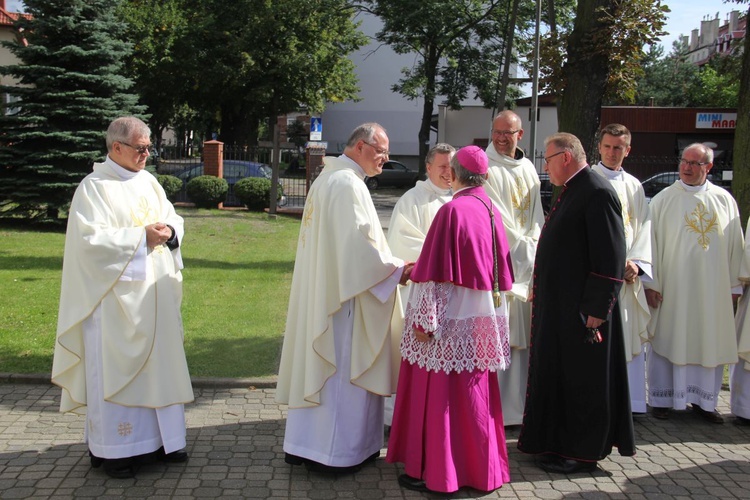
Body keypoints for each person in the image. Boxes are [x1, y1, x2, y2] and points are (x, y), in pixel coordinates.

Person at [51, 116, 193, 479]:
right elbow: (89, 244)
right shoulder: (94, 188)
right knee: (118, 371)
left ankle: (165, 441)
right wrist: (139, 238)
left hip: (155, 297)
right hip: (115, 302)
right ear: (116, 147)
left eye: (149, 147)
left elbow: (172, 217)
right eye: (141, 148)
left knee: (160, 367)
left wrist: (171, 231)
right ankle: (116, 450)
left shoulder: (149, 182)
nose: (147, 154)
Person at [276, 122, 412, 474]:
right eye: (382, 151)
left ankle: (307, 445)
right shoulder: (347, 184)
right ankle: (335, 453)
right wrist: (398, 270)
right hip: (343, 300)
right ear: (362, 146)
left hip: (327, 289)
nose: (385, 158)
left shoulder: (329, 179)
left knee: (326, 374)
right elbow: (358, 249)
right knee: (340, 373)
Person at [386, 145, 514, 494]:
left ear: (455, 174)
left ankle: (441, 474)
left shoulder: (454, 210)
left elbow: (434, 275)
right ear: (484, 176)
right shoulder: (490, 209)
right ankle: (479, 471)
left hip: (449, 321)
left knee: (441, 398)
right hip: (480, 318)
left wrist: (425, 322)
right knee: (473, 400)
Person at [518, 132, 634, 474]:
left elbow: (611, 255)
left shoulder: (596, 191)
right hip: (562, 308)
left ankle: (582, 453)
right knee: (563, 377)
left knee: (584, 382)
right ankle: (557, 442)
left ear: (565, 157)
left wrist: (597, 309)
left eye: (548, 159)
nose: (546, 167)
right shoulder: (573, 190)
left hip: (585, 314)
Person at [645, 143, 743, 423]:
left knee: (707, 339)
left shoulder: (724, 200)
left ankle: (703, 403)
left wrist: (734, 287)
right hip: (672, 289)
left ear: (708, 168)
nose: (686, 167)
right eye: (684, 161)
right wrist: (652, 284)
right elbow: (650, 245)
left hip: (712, 291)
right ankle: (662, 399)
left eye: (695, 163)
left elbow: (735, 245)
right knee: (668, 337)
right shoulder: (663, 199)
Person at [484, 110, 545, 426]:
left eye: (508, 133)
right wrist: (525, 248)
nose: (501, 138)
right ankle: (496, 409)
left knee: (523, 339)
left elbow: (536, 215)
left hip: (528, 263)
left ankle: (519, 407)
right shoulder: (485, 167)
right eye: (497, 132)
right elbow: (494, 217)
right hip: (500, 266)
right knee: (500, 335)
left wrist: (536, 243)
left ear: (520, 135)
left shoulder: (529, 168)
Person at [591, 123, 652, 414]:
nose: (612, 152)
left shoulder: (635, 185)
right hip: (601, 275)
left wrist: (637, 265)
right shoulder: (587, 179)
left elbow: (643, 228)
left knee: (627, 338)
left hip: (627, 278)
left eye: (619, 148)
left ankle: (629, 404)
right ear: (599, 147)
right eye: (608, 146)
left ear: (628, 150)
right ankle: (601, 401)